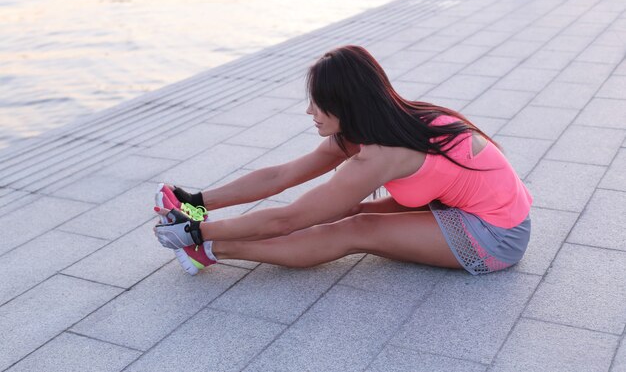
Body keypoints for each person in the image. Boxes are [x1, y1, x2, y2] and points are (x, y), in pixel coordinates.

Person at [153, 45, 532, 276]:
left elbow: (290, 218)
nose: (309, 111)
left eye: (318, 103)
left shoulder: (384, 154)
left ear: (346, 105)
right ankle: (200, 230)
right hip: (454, 207)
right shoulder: (380, 125)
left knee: (355, 227)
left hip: (496, 235)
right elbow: (281, 175)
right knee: (341, 210)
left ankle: (209, 250)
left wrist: (199, 232)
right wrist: (197, 204)